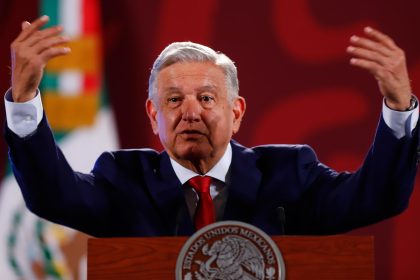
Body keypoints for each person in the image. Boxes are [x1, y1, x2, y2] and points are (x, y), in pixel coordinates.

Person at [4, 15, 419, 237]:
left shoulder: (289, 175)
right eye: (173, 100)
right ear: (153, 116)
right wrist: (24, 105)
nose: (190, 112)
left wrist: (399, 108)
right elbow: (53, 196)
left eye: (205, 98)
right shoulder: (121, 180)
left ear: (236, 111)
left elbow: (376, 198)